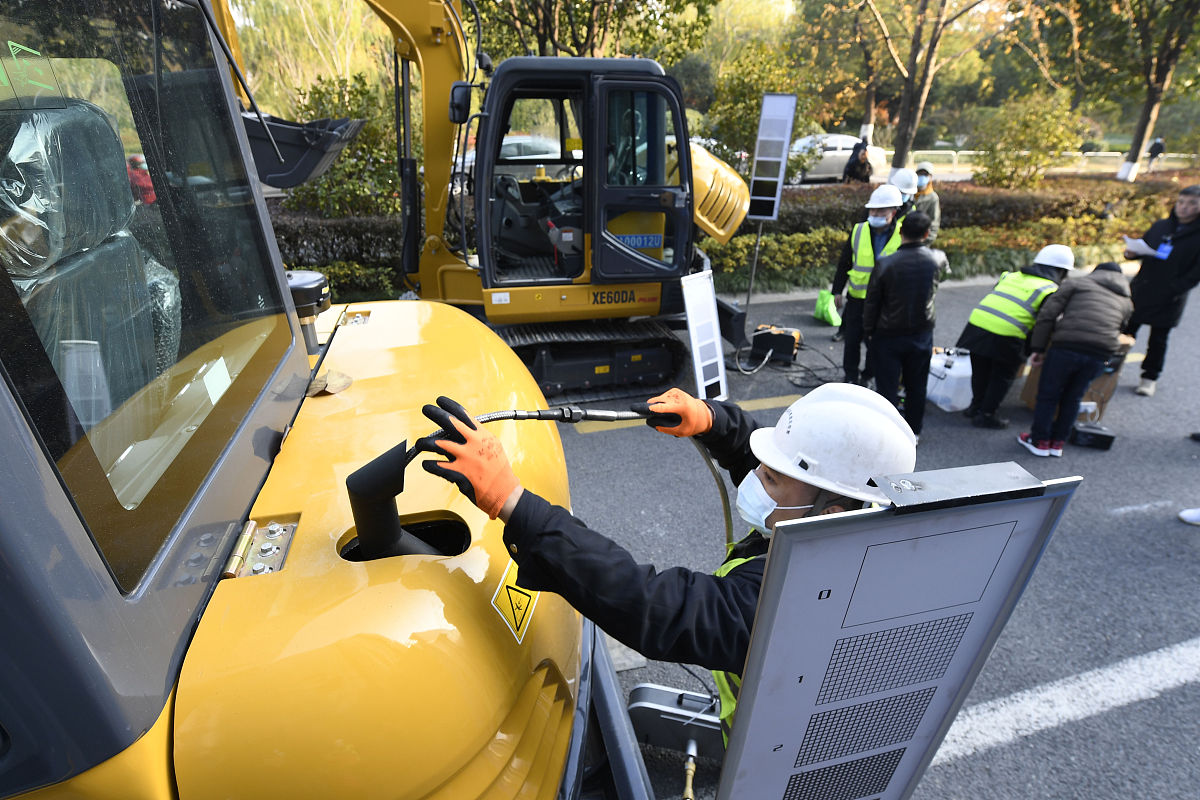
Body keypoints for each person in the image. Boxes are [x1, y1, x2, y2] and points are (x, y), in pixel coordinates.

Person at [413, 385, 917, 739]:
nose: (758, 478)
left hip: (784, 748)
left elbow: (653, 603)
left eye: (772, 480)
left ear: (830, 511)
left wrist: (515, 504)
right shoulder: (852, 531)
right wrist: (715, 422)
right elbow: (789, 472)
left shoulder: (801, 598)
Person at [1017, 262, 1133, 457]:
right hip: (1101, 354)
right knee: (1074, 396)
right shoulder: (1126, 302)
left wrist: (1038, 347)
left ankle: (1040, 441)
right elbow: (1120, 328)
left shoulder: (1077, 284)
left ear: (1096, 272)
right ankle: (1057, 443)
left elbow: (1048, 314)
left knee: (1049, 394)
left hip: (1067, 347)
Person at [957, 244, 1074, 429]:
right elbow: (1044, 321)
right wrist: (1037, 349)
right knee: (1002, 376)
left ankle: (975, 407)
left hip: (978, 324)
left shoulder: (1010, 275)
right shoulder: (1049, 289)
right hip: (1008, 333)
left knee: (981, 371)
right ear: (1062, 271)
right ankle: (986, 414)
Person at [864, 211, 948, 440]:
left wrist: (868, 332)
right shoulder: (937, 259)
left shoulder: (885, 264)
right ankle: (913, 432)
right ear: (927, 233)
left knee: (887, 388)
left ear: (900, 232)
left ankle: (888, 435)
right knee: (916, 386)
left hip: (887, 334)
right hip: (921, 333)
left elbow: (872, 302)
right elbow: (942, 277)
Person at [1121, 184, 1200, 397]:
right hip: (1143, 288)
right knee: (1125, 330)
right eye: (1181, 202)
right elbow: (1144, 247)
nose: (1184, 207)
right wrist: (1131, 254)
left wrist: (1174, 289)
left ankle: (1149, 378)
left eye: (1192, 203)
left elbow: (1195, 274)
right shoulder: (1161, 226)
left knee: (1158, 340)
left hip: (1170, 297)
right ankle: (1110, 367)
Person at [831, 184, 905, 384]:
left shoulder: (902, 235)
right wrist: (837, 291)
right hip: (857, 299)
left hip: (884, 303)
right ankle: (850, 376)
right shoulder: (859, 230)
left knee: (876, 344)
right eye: (873, 210)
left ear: (894, 211)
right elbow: (844, 262)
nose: (875, 214)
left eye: (881, 210)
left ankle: (867, 376)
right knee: (852, 341)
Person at [913, 161, 941, 242]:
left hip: (921, 241)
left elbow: (934, 223)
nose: (922, 177)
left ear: (930, 177)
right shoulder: (909, 193)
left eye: (925, 175)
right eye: (920, 174)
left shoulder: (933, 198)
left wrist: (925, 241)